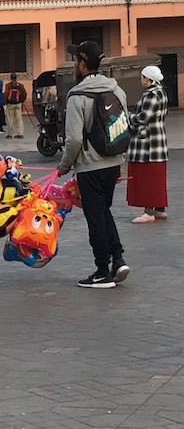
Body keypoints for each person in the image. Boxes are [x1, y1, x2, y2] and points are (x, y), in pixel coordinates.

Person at [57, 40, 129, 289]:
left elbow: (74, 138)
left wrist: (64, 165)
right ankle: (118, 260)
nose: (74, 64)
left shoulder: (77, 96)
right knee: (104, 212)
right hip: (112, 163)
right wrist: (120, 162)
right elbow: (123, 128)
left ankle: (102, 271)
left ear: (83, 63)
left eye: (76, 59)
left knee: (95, 217)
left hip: (90, 166)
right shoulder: (116, 89)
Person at [126, 65, 169, 223]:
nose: (141, 80)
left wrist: (129, 118)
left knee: (147, 178)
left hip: (148, 144)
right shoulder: (161, 92)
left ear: (149, 79)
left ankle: (148, 212)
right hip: (158, 141)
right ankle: (159, 209)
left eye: (143, 77)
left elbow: (144, 117)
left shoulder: (152, 95)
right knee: (156, 177)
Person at [4, 72, 27, 138]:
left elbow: (6, 94)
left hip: (10, 104)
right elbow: (24, 94)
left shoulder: (8, 85)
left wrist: (5, 102)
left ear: (10, 78)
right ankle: (20, 133)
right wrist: (21, 101)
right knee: (19, 119)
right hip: (18, 104)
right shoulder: (20, 85)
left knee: (10, 119)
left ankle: (10, 134)